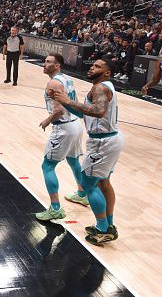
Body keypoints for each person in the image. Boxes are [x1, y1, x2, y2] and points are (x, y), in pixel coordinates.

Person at [52, 58, 124, 246]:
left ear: (107, 72)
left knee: (88, 184)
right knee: (104, 183)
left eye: (98, 66)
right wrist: (65, 102)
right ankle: (109, 224)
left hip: (102, 142)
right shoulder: (103, 87)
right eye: (92, 64)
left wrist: (68, 100)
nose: (92, 67)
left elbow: (99, 111)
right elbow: (85, 113)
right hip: (112, 138)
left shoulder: (100, 88)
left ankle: (102, 229)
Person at [35, 54, 87, 223]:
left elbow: (59, 110)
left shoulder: (53, 82)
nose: (44, 64)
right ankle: (82, 194)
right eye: (45, 61)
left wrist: (47, 120)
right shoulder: (67, 79)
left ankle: (55, 209)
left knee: (48, 166)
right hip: (76, 125)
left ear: (57, 66)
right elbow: (76, 102)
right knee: (73, 160)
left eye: (48, 62)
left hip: (63, 127)